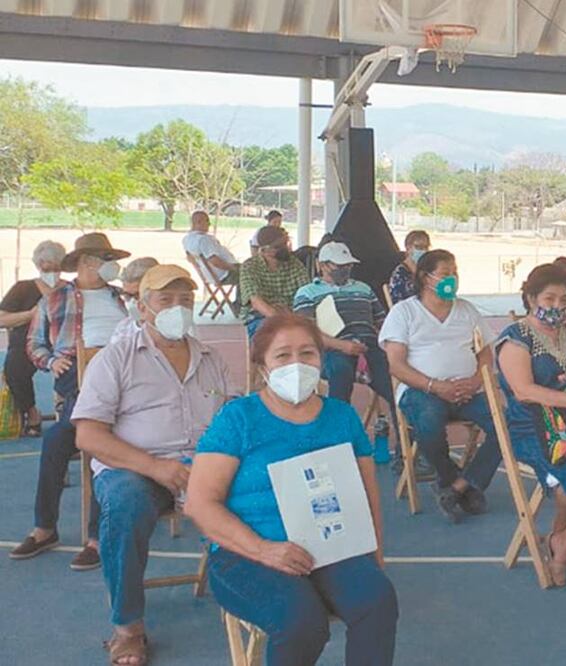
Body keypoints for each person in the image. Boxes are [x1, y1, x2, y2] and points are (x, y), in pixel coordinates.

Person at [186, 313, 397, 665]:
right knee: (301, 621)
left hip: (331, 546)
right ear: (262, 366)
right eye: (283, 355)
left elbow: (366, 492)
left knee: (377, 599)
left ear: (321, 360)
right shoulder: (238, 418)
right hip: (247, 553)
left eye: (308, 354)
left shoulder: (342, 417)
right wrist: (264, 549)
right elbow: (200, 503)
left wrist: (373, 554)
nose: (296, 364)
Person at [69, 265, 225, 664]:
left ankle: (264, 595)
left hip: (204, 468)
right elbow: (88, 437)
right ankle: (127, 627)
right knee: (124, 501)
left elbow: (232, 419)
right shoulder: (115, 358)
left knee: (264, 483)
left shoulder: (211, 358)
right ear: (142, 308)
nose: (178, 308)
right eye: (166, 299)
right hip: (137, 471)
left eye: (186, 300)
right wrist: (157, 468)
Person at [10, 233, 129, 571]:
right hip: (78, 375)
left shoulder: (122, 299)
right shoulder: (56, 298)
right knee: (58, 440)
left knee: (101, 442)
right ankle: (45, 527)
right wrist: (51, 362)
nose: (110, 265)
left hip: (122, 375)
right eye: (105, 258)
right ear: (86, 262)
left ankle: (96, 536)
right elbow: (33, 344)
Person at [496, 264, 566, 586]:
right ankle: (565, 541)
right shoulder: (515, 338)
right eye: (549, 297)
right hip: (532, 428)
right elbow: (523, 391)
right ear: (532, 297)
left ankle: (563, 538)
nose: (557, 305)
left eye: (565, 298)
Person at [379, 249, 502, 523]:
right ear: (425, 278)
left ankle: (459, 486)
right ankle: (453, 479)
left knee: (507, 424)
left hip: (467, 391)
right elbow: (396, 365)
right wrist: (435, 386)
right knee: (429, 418)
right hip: (421, 391)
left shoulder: (467, 310)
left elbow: (484, 353)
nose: (453, 279)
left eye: (455, 273)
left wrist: (475, 381)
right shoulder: (404, 312)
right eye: (446, 274)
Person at [292, 242, 392, 409]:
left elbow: (382, 321)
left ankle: (406, 429)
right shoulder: (307, 293)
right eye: (339, 265)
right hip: (331, 347)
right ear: (323, 265)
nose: (345, 269)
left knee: (393, 382)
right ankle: (339, 426)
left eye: (348, 265)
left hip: (369, 344)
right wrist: (341, 345)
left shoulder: (364, 289)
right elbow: (306, 332)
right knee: (340, 371)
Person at [0, 240, 65, 437]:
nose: (52, 270)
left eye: (56, 265)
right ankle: (32, 413)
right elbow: (2, 319)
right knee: (14, 369)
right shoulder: (23, 288)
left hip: (62, 343)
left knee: (72, 370)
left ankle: (67, 414)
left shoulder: (69, 289)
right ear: (38, 265)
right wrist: (30, 314)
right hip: (26, 342)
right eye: (47, 265)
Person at [240, 225, 309, 337]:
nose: (285, 248)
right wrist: (282, 320)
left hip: (292, 314)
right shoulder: (249, 267)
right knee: (273, 335)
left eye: (286, 243)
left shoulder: (295, 264)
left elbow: (306, 293)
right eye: (279, 246)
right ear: (264, 249)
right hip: (260, 316)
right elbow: (256, 302)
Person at [183, 210, 239, 285]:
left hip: (209, 276)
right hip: (224, 274)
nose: (209, 224)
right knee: (250, 274)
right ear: (199, 222)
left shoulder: (186, 240)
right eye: (207, 221)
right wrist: (233, 268)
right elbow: (215, 261)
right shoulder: (204, 239)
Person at [112, 258, 159, 342]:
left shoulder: (177, 326)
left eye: (138, 295)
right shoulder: (123, 329)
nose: (133, 302)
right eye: (127, 295)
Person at [388, 230, 431, 304]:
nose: (423, 250)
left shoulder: (427, 271)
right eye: (419, 247)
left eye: (426, 247)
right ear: (408, 248)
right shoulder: (400, 274)